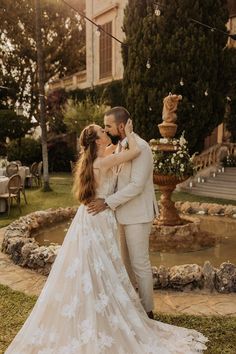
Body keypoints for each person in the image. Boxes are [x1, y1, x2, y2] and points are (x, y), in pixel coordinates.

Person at [5, 121, 207, 354]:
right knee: (102, 264)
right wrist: (129, 133)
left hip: (90, 218)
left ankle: (95, 307)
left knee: (95, 265)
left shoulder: (98, 158)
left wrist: (122, 139)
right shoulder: (104, 160)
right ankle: (101, 311)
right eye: (102, 131)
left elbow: (121, 150)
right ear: (97, 141)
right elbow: (134, 151)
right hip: (99, 218)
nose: (106, 131)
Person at [87, 106, 157, 319]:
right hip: (121, 216)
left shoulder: (142, 148)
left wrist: (107, 202)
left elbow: (136, 185)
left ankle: (148, 313)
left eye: (108, 126)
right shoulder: (120, 148)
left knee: (140, 265)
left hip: (138, 215)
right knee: (125, 266)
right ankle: (132, 311)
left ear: (121, 125)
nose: (106, 130)